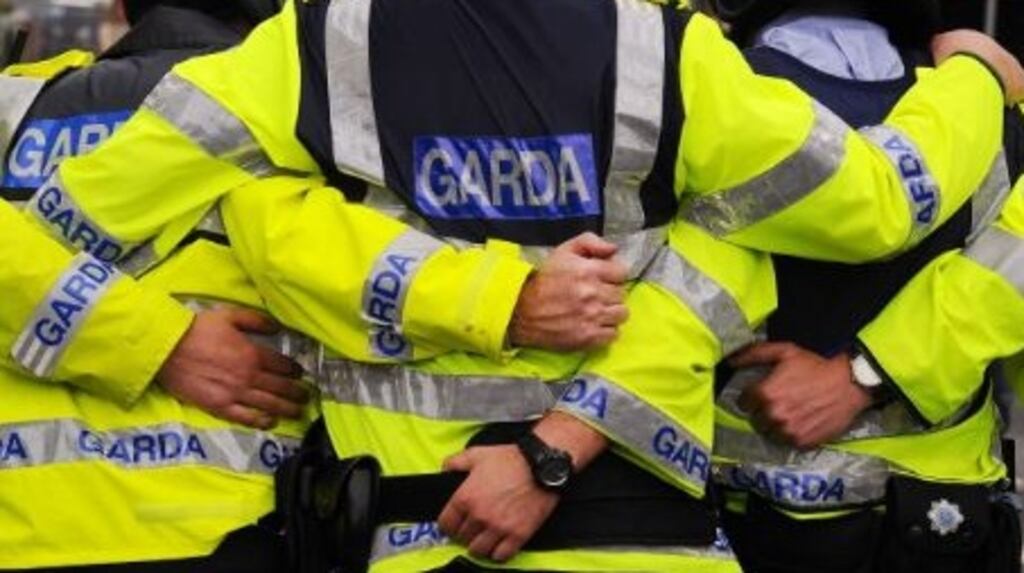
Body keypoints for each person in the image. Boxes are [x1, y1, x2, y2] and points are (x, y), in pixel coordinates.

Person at [18, 0, 1024, 570]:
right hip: (641, 543)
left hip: (413, 538)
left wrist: (142, 333)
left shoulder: (309, 49)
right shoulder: (667, 55)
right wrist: (976, 75)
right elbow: (881, 202)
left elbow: (52, 224)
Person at [698, 1, 1024, 571]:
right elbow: (1009, 278)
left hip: (726, 512)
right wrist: (868, 374)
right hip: (938, 522)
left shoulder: (698, 97)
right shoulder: (989, 104)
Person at [0, 1, 322, 570]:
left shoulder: (12, 104)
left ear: (125, 7)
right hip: (234, 526)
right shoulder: (303, 103)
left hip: (26, 528)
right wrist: (162, 345)